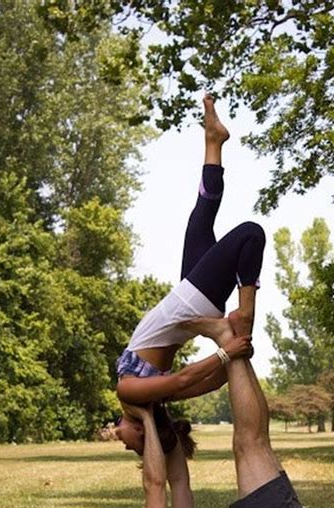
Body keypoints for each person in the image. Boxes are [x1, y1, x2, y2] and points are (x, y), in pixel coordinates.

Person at [91, 319, 319, 508]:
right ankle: (227, 338)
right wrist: (144, 416)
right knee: (249, 444)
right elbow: (154, 485)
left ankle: (234, 346)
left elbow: (178, 481)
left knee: (255, 442)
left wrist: (158, 412)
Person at [114, 95, 265, 452]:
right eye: (132, 445)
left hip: (188, 304)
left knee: (201, 216)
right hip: (188, 305)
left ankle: (214, 140)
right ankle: (247, 314)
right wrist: (232, 345)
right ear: (142, 432)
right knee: (250, 234)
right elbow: (184, 379)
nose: (122, 442)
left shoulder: (150, 401)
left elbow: (209, 383)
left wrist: (229, 354)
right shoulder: (129, 392)